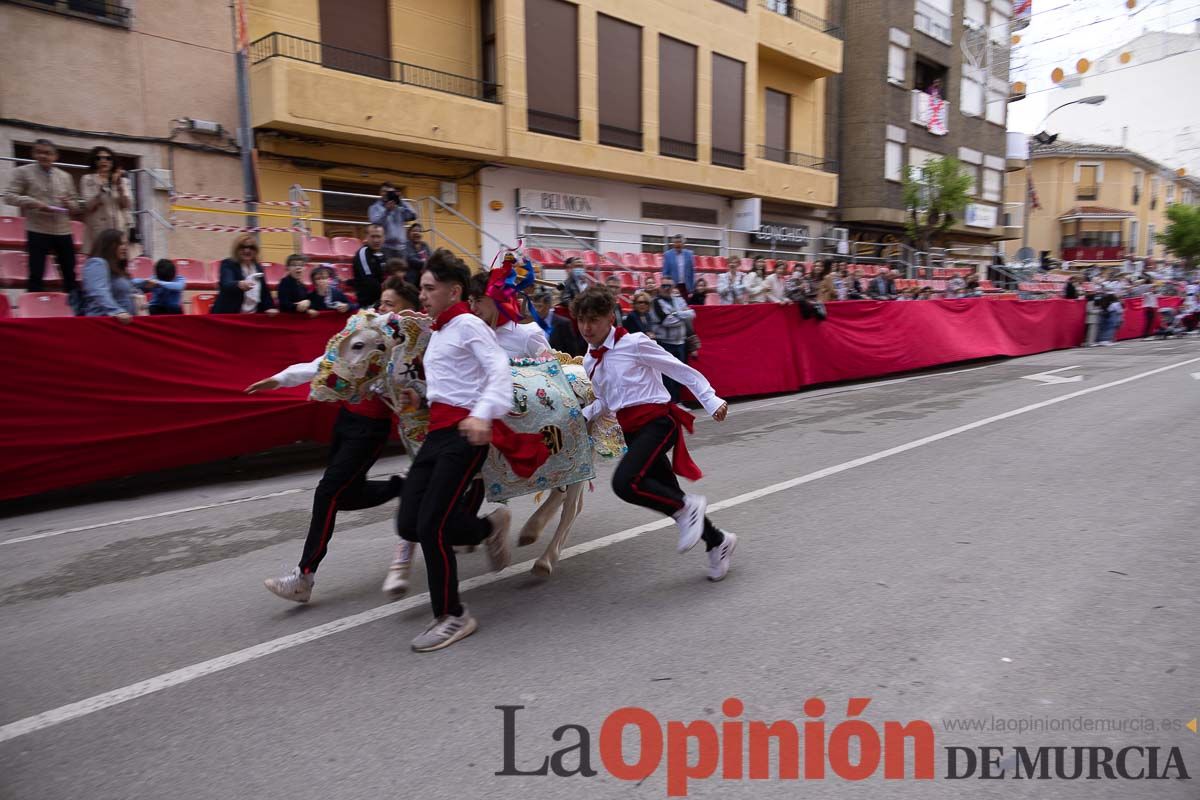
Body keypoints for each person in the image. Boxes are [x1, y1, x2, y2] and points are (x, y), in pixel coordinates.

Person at [398, 249, 550, 652]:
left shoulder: (468, 324)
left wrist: (482, 414)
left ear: (454, 291)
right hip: (437, 434)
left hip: (464, 436)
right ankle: (489, 527)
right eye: (422, 289)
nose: (423, 295)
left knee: (432, 525)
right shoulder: (443, 329)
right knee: (409, 522)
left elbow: (498, 370)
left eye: (430, 289)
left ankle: (452, 615)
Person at [249, 308, 416, 604]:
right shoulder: (370, 328)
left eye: (392, 299)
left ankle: (304, 576)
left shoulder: (407, 344)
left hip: (370, 430)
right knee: (346, 496)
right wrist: (281, 378)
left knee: (327, 493)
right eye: (384, 298)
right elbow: (329, 362)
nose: (384, 304)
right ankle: (403, 487)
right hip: (346, 422)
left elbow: (416, 384)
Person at [573, 287, 737, 581]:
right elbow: (606, 401)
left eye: (594, 319)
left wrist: (710, 399)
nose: (586, 327)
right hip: (632, 433)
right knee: (669, 496)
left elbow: (679, 369)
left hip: (658, 424)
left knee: (625, 484)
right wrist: (581, 415)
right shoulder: (589, 359)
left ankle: (689, 507)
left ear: (610, 317)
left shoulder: (634, 343)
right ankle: (718, 541)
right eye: (581, 320)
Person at [4, 138, 82, 296]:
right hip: (37, 229)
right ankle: (34, 311)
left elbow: (76, 205)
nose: (43, 156)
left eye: (48, 153)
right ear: (33, 153)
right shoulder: (23, 172)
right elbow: (9, 196)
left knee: (69, 272)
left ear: (55, 156)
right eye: (39, 152)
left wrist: (69, 204)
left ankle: (75, 309)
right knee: (36, 273)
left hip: (63, 230)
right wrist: (34, 203)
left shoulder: (65, 176)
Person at [467, 268, 551, 358]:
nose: (473, 308)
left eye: (478, 301)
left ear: (498, 299)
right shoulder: (475, 332)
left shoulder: (527, 334)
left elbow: (553, 368)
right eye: (471, 301)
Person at [80, 146, 132, 255]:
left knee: (118, 263)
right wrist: (103, 187)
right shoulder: (87, 179)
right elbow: (89, 206)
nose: (103, 161)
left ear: (113, 162)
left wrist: (119, 187)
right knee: (100, 262)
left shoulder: (122, 181)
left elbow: (126, 204)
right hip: (98, 229)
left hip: (118, 228)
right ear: (94, 161)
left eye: (108, 158)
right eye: (99, 158)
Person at [651, 282, 696, 401]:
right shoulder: (656, 302)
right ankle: (670, 402)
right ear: (659, 287)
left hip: (680, 342)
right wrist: (683, 315)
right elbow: (666, 321)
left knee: (680, 373)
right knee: (667, 375)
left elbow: (692, 314)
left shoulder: (679, 299)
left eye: (669, 285)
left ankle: (677, 401)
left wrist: (676, 314)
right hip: (665, 342)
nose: (666, 288)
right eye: (663, 285)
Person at [79, 228, 136, 321]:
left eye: (125, 244)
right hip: (103, 323)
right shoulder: (97, 263)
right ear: (109, 246)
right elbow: (99, 291)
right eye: (121, 244)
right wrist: (117, 311)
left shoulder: (117, 268)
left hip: (121, 323)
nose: (125, 247)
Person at [212, 234, 277, 314]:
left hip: (253, 315)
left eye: (251, 247)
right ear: (236, 250)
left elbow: (264, 291)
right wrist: (238, 284)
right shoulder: (228, 264)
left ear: (256, 251)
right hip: (230, 315)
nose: (247, 250)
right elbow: (226, 284)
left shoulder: (258, 267)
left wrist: (270, 307)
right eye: (242, 247)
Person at [367, 182, 417, 260]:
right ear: (380, 193)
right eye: (384, 191)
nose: (387, 193)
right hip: (385, 247)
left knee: (402, 272)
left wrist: (401, 201)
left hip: (402, 248)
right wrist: (387, 211)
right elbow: (375, 224)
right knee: (387, 271)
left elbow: (413, 215)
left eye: (390, 192)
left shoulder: (399, 207)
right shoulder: (374, 207)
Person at [351, 224, 389, 309]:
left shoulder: (385, 253)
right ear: (367, 237)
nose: (376, 240)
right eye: (373, 236)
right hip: (368, 304)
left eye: (379, 236)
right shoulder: (363, 253)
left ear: (384, 238)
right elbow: (369, 281)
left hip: (383, 300)